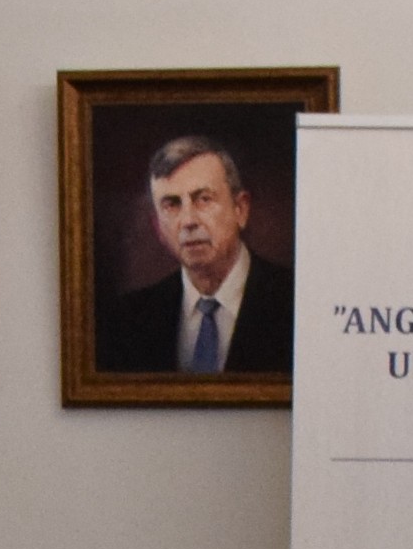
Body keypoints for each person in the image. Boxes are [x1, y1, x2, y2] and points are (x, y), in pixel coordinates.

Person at [95, 134, 292, 377]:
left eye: (204, 199)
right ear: (158, 228)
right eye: (172, 204)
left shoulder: (296, 301)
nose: (188, 221)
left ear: (240, 209)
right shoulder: (127, 321)